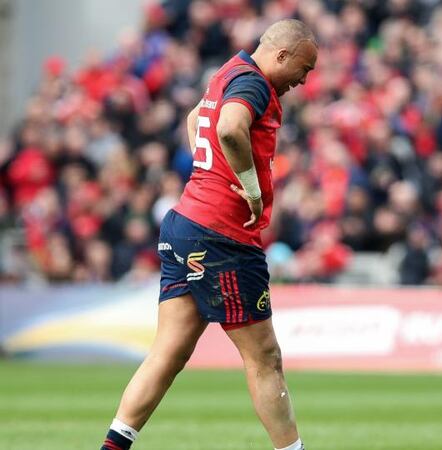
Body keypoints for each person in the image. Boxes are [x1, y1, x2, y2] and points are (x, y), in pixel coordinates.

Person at [100, 19, 317, 450]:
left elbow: (196, 117)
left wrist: (207, 172)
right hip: (222, 236)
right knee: (264, 358)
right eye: (304, 69)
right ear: (281, 55)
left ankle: (111, 447)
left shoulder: (226, 72)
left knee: (168, 354)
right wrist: (251, 191)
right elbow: (228, 127)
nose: (303, 80)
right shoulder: (254, 84)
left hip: (186, 224)